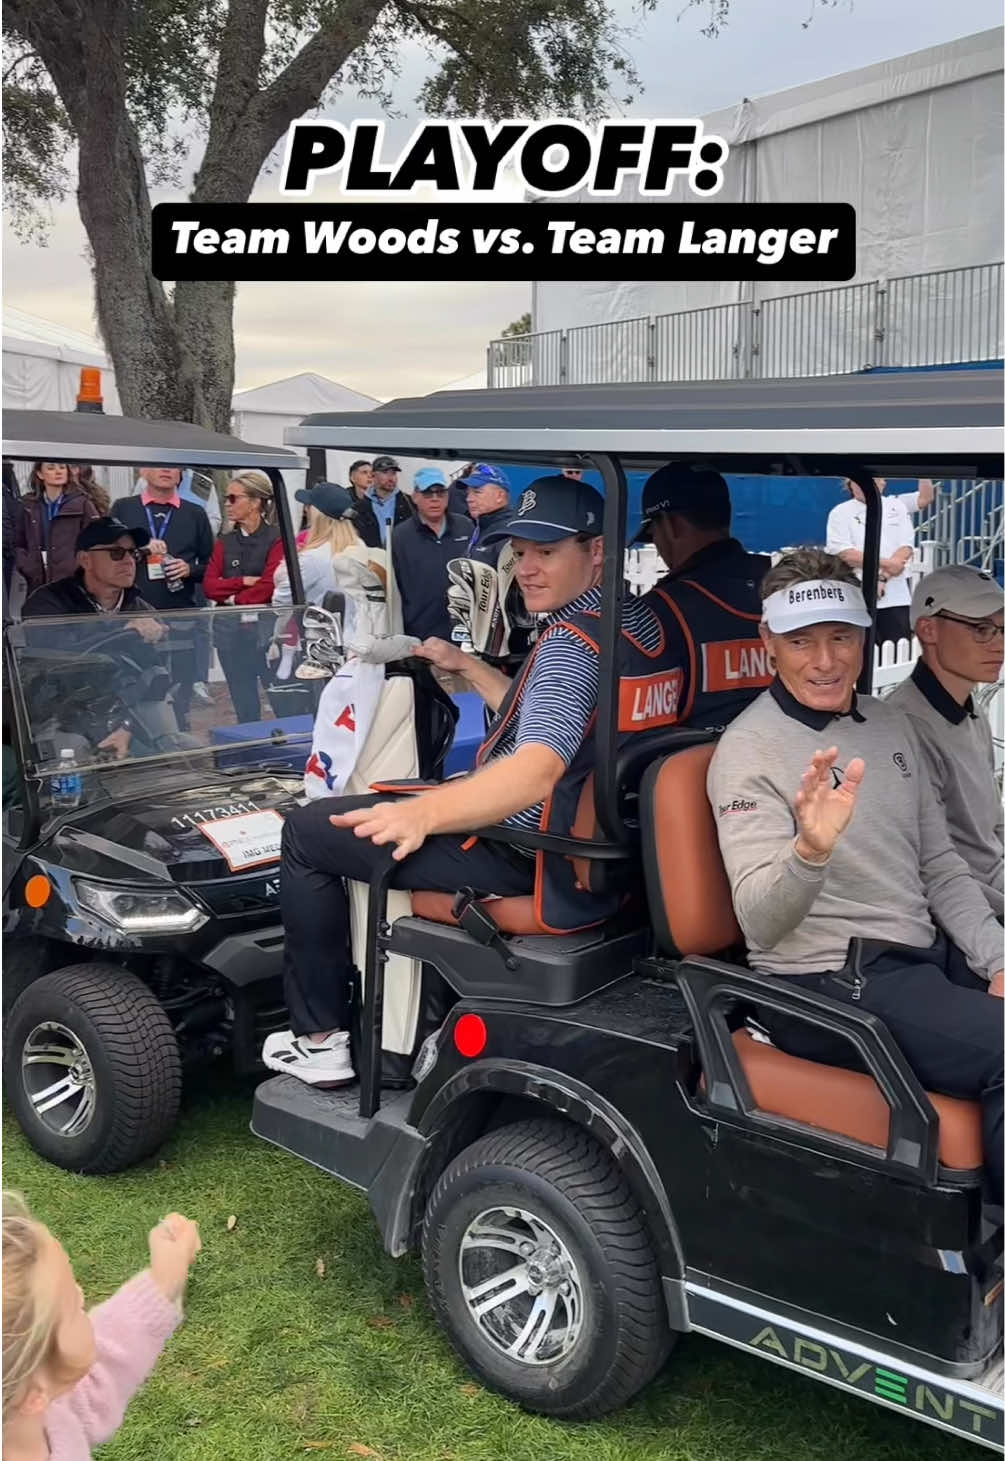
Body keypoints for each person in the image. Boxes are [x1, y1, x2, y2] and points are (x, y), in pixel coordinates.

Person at [262, 475, 672, 1086]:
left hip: (527, 852)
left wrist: (423, 814)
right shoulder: (637, 622)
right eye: (522, 552)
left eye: (548, 553)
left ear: (597, 553)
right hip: (602, 847)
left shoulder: (569, 643)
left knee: (306, 830)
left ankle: (320, 1037)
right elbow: (561, 724)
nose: (528, 570)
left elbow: (538, 767)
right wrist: (466, 667)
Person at [708, 546, 1004, 1196]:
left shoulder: (886, 722)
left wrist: (995, 956)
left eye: (840, 637)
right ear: (767, 640)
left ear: (864, 635)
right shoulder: (746, 752)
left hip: (911, 956)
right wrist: (808, 850)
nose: (824, 660)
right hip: (822, 980)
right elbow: (761, 919)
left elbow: (939, 862)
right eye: (800, 640)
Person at [2, 1192, 200, 1461]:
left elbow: (96, 1379)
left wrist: (164, 1280)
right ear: (34, 1396)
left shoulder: (37, 1407)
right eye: (75, 1308)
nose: (82, 1294)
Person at [887, 565, 1004, 916]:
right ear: (928, 629)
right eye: (981, 629)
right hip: (967, 913)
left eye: (1002, 629)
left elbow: (992, 828)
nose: (998, 644)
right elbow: (934, 869)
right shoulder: (907, 726)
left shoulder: (970, 710)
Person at [637, 463, 773, 730]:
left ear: (673, 525)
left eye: (654, 534)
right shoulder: (782, 590)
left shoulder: (661, 610)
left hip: (690, 765)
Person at [23, 517, 166, 761]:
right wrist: (124, 633)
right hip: (57, 713)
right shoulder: (49, 602)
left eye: (133, 553)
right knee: (71, 757)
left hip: (120, 709)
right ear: (85, 560)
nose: (129, 560)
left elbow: (156, 676)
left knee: (176, 747)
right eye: (116, 552)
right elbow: (56, 661)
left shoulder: (141, 608)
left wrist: (127, 726)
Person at [111, 468, 214, 729]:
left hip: (180, 617)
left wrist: (191, 570)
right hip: (134, 616)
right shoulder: (123, 509)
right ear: (143, 471)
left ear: (181, 475)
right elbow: (108, 556)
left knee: (180, 690)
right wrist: (142, 550)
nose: (166, 471)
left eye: (172, 466)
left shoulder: (195, 513)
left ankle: (179, 743)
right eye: (158, 465)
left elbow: (213, 566)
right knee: (137, 688)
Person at [203, 471, 285, 723]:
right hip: (230, 634)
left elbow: (270, 586)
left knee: (281, 700)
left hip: (266, 634)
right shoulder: (224, 541)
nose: (227, 504)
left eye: (233, 498)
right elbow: (209, 586)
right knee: (243, 703)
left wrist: (230, 597)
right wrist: (241, 582)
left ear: (255, 502)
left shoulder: (277, 539)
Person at [825, 477, 936, 647]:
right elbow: (845, 554)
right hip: (855, 597)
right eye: (859, 481)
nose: (866, 485)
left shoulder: (896, 506)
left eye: (874, 480)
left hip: (896, 597)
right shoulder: (840, 512)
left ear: (883, 483)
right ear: (850, 485)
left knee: (899, 650)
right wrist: (886, 564)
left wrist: (882, 577)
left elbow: (905, 547)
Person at [273, 482, 387, 629]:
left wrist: (285, 566)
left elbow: (280, 603)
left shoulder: (311, 558)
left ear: (315, 514)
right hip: (356, 640)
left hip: (321, 644)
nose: (306, 511)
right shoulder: (360, 547)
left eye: (308, 507)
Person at [391, 469, 472, 642]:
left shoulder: (465, 527)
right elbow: (394, 586)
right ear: (415, 497)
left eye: (440, 492)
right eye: (428, 493)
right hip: (420, 632)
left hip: (462, 628)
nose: (435, 499)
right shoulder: (400, 536)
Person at [16, 462, 102, 595]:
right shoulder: (28, 505)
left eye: (62, 467)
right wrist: (27, 566)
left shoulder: (83, 503)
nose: (58, 471)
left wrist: (78, 566)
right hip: (37, 579)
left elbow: (96, 539)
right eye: (51, 468)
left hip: (73, 580)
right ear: (40, 474)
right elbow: (17, 542)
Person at [351, 455, 414, 549]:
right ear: (373, 475)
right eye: (385, 472)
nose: (391, 478)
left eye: (393, 473)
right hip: (373, 560)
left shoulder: (409, 503)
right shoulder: (360, 507)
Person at [460, 464, 513, 566]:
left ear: (499, 496)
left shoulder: (508, 533)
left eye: (477, 492)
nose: (469, 499)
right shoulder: (480, 527)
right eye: (468, 492)